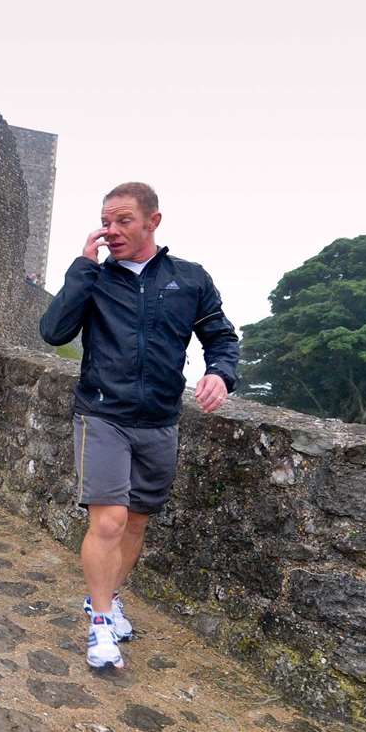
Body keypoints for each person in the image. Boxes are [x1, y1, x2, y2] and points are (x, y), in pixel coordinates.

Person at [39, 182, 238, 670]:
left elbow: (220, 337)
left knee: (137, 521)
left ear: (153, 221)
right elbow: (53, 332)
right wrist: (82, 269)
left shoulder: (189, 279)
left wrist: (220, 373)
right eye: (107, 221)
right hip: (103, 413)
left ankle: (105, 597)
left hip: (159, 419)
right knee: (108, 519)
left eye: (124, 220)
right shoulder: (96, 279)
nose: (112, 230)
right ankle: (101, 623)